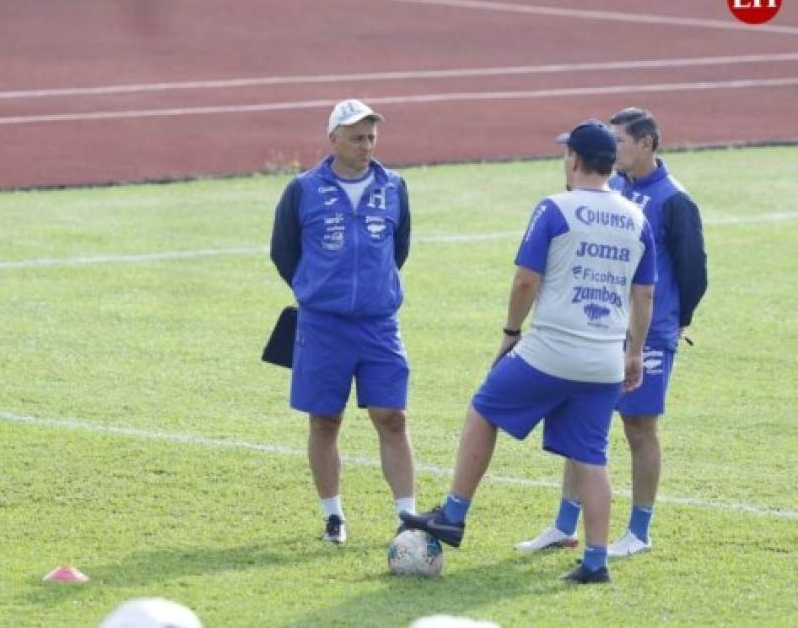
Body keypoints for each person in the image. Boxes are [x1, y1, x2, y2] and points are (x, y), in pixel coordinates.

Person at [400, 119, 656, 583]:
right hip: (603, 360)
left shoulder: (554, 209)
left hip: (551, 349)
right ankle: (596, 563)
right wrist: (633, 353)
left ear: (575, 159)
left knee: (483, 409)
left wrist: (511, 331)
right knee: (592, 458)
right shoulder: (637, 218)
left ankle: (453, 515)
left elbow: (525, 279)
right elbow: (644, 296)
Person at [515, 108, 707, 558]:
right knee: (581, 424)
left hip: (650, 336)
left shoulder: (675, 200)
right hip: (600, 332)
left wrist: (678, 321)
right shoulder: (614, 189)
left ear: (647, 144)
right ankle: (565, 525)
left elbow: (693, 270)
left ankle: (639, 531)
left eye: (619, 141)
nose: (613, 148)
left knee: (640, 428)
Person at [270, 99, 415, 544]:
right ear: (333, 139)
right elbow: (284, 252)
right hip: (323, 326)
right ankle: (333, 516)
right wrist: (315, 291)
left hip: (379, 325)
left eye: (371, 137)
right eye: (356, 137)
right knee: (324, 421)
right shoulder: (303, 189)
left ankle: (407, 517)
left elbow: (400, 247)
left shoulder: (394, 186)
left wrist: (373, 290)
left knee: (392, 417)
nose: (365, 145)